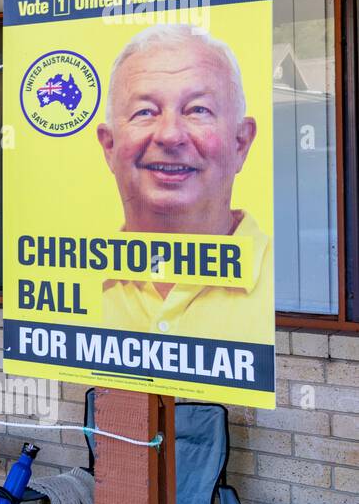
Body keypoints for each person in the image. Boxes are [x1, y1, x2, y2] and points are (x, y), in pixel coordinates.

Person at [95, 22, 271, 339]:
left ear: (241, 142)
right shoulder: (74, 280)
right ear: (109, 145)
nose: (170, 135)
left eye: (197, 109)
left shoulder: (284, 284)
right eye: (145, 112)